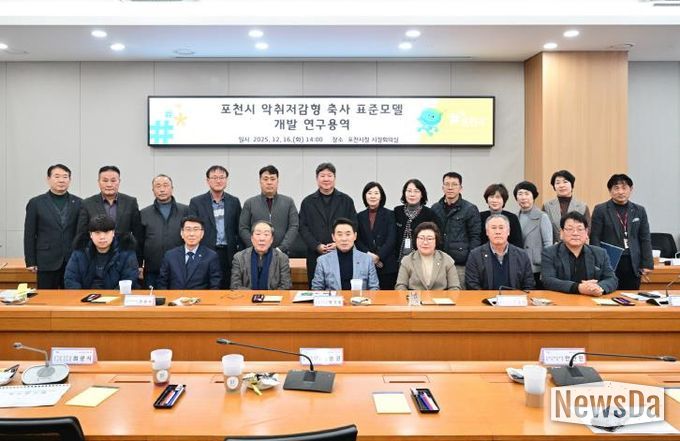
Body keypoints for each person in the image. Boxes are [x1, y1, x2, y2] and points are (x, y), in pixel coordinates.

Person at [590, 173, 653, 290]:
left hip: (633, 262)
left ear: (631, 189)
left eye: (624, 188)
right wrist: (598, 263)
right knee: (608, 293)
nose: (620, 192)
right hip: (610, 261)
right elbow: (595, 238)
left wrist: (647, 263)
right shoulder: (600, 210)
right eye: (616, 188)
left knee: (631, 295)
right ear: (610, 191)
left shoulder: (639, 210)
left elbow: (645, 238)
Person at [299, 163, 357, 287]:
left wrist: (339, 243)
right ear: (317, 178)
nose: (326, 179)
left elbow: (354, 225)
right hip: (315, 255)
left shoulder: (346, 200)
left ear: (334, 178)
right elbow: (303, 228)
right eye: (322, 176)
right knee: (316, 289)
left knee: (342, 288)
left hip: (342, 253)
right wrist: (316, 246)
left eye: (329, 175)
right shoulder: (307, 202)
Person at [24, 164, 82, 289]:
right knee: (46, 296)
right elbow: (29, 234)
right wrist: (30, 261)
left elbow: (81, 233)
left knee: (72, 296)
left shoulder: (79, 202)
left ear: (70, 180)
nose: (61, 180)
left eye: (65, 177)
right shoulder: (36, 203)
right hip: (46, 260)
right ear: (48, 179)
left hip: (71, 259)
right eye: (57, 176)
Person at [189, 165, 242, 289]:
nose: (218, 181)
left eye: (222, 177)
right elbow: (192, 230)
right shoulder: (196, 202)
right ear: (208, 181)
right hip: (205, 252)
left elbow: (239, 228)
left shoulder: (234, 201)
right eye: (214, 177)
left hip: (228, 253)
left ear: (226, 180)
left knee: (227, 287)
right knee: (206, 287)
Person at [541, 211, 618, 295]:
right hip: (562, 299)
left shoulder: (600, 253)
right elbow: (548, 280)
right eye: (570, 229)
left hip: (591, 299)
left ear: (586, 232)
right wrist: (578, 288)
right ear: (562, 233)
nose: (575, 233)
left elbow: (612, 279)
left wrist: (598, 287)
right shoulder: (549, 253)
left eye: (580, 229)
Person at [431, 171, 481, 286]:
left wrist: (470, 261)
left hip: (460, 264)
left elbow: (475, 237)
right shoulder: (435, 208)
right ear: (442, 187)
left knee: (458, 294)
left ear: (460, 188)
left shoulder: (470, 209)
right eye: (447, 184)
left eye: (454, 184)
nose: (450, 187)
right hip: (438, 262)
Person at [140, 174, 189, 288]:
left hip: (180, 267)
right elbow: (139, 241)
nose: (162, 189)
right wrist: (139, 265)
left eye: (166, 185)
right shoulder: (144, 213)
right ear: (153, 190)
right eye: (158, 186)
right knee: (153, 297)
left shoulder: (185, 210)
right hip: (153, 268)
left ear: (172, 188)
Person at [64, 214, 139, 289]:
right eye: (97, 233)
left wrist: (112, 296)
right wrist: (82, 296)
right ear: (91, 234)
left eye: (106, 232)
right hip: (85, 295)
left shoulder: (126, 252)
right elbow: (71, 279)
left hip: (116, 295)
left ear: (113, 233)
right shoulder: (80, 251)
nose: (102, 237)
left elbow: (129, 279)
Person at [239, 165, 299, 256]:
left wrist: (282, 248)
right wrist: (256, 247)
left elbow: (294, 226)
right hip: (255, 253)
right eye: (265, 179)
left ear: (277, 182)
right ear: (260, 182)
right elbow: (243, 228)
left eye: (272, 179)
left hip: (282, 253)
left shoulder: (288, 202)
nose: (269, 182)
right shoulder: (250, 203)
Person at [465, 214, 534, 290]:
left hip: (515, 297)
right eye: (493, 228)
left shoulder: (522, 255)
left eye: (501, 228)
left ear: (508, 231)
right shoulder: (475, 255)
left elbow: (529, 285)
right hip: (485, 297)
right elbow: (472, 285)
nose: (497, 232)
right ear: (487, 232)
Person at [311, 218, 379, 291]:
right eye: (339, 235)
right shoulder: (323, 261)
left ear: (355, 236)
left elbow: (374, 288)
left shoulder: (367, 259)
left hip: (360, 298)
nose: (344, 239)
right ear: (333, 237)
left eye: (348, 234)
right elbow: (316, 289)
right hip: (334, 298)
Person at [156, 216, 222, 290]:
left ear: (202, 233)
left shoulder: (211, 256)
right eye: (188, 229)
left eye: (196, 229)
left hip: (200, 297)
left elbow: (215, 285)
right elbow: (162, 282)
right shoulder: (170, 255)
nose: (191, 234)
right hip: (175, 297)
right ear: (182, 233)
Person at [355, 182, 398, 290]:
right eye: (369, 193)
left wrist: (378, 256)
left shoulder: (390, 214)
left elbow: (392, 239)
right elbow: (357, 239)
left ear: (381, 196)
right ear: (365, 196)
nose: (372, 196)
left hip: (387, 265)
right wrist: (369, 255)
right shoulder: (359, 216)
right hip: (366, 264)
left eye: (376, 193)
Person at [395, 222, 460, 290]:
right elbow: (400, 286)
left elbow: (454, 287)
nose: (425, 242)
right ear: (416, 240)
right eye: (421, 238)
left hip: (441, 296)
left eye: (429, 239)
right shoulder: (407, 260)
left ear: (436, 240)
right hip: (414, 296)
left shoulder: (447, 260)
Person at [231, 220, 292, 290]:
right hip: (246, 297)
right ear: (252, 238)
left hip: (273, 297)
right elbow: (235, 286)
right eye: (258, 234)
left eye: (266, 234)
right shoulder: (239, 257)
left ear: (272, 239)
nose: (262, 239)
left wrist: (268, 296)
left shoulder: (282, 258)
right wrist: (255, 295)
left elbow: (286, 286)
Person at [513, 181, 552, 288]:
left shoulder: (542, 216)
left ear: (533, 196)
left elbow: (548, 245)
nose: (523, 197)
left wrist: (546, 269)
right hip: (518, 265)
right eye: (520, 194)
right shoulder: (514, 217)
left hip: (536, 266)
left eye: (527, 194)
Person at [394, 178, 441, 264]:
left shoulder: (429, 214)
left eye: (416, 191)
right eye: (409, 191)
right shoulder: (397, 211)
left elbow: (437, 239)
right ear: (404, 193)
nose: (412, 194)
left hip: (421, 261)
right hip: (398, 260)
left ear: (422, 194)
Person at [542, 169, 591, 243]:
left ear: (572, 185)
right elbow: (544, 229)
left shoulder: (582, 206)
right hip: (554, 246)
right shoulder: (547, 206)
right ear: (554, 187)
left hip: (576, 245)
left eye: (565, 182)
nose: (561, 185)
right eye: (557, 183)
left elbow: (587, 229)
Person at [479, 183, 523, 248]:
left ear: (504, 200)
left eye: (498, 197)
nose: (494, 200)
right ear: (487, 199)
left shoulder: (512, 218)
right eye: (491, 197)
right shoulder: (479, 217)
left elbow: (517, 243)